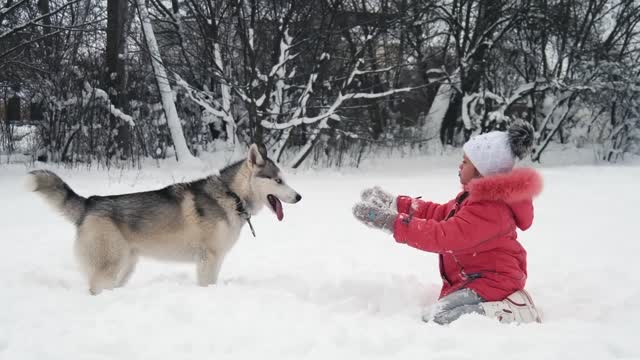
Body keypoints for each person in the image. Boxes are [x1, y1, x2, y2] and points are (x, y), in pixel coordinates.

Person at [352, 121, 543, 325]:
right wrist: (396, 204)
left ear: (482, 171)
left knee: (438, 317)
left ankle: (513, 311)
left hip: (493, 282)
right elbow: (441, 213)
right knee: (438, 313)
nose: (460, 165)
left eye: (466, 161)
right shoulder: (474, 199)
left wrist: (392, 223)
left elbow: (445, 235)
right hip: (477, 280)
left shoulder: (491, 209)